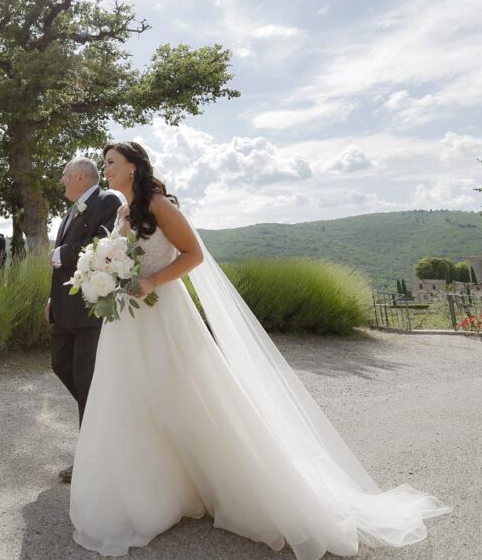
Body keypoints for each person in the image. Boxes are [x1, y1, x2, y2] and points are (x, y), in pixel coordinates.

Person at [68, 141, 450, 558]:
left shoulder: (160, 206)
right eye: (104, 164)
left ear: (133, 168)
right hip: (127, 319)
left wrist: (153, 282)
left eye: (111, 163)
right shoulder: (123, 212)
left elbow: (194, 254)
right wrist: (102, 271)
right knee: (130, 401)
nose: (105, 170)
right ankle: (146, 494)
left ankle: (228, 484)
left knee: (184, 398)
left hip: (162, 314)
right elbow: (119, 257)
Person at [47, 156, 122, 485]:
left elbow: (105, 246)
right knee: (61, 365)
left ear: (79, 177)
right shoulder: (71, 208)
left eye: (65, 176)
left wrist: (62, 254)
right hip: (66, 308)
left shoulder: (107, 201)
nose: (62, 182)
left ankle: (92, 459)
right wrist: (53, 299)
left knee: (86, 379)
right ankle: (104, 424)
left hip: (91, 309)